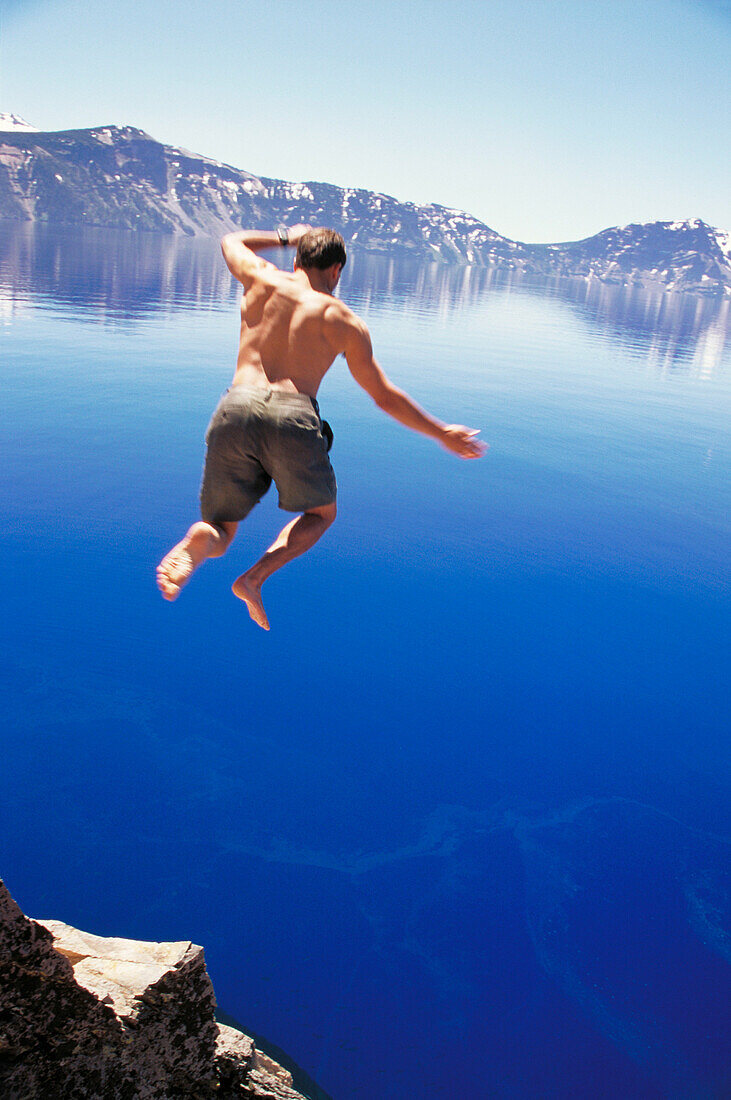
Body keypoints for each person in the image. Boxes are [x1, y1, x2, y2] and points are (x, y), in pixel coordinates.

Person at [156, 225, 487, 629]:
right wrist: (442, 433)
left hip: (236, 407)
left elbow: (230, 241)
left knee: (222, 530)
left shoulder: (260, 278)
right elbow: (384, 397)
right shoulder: (344, 320)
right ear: (336, 271)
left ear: (296, 261)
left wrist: (285, 236)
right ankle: (255, 577)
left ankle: (202, 539)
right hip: (292, 417)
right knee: (321, 515)